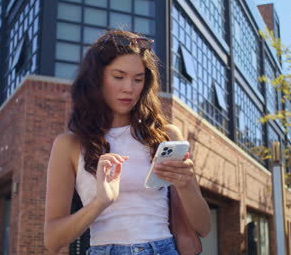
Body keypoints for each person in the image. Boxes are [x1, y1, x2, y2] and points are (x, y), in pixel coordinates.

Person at [44, 29, 211, 255]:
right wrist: (100, 202)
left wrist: (186, 183)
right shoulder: (69, 145)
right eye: (119, 76)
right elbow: (52, 240)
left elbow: (203, 226)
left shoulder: (166, 136)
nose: (128, 88)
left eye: (138, 79)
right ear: (97, 78)